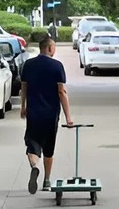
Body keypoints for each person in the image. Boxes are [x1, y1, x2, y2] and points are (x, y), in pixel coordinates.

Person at [20, 36, 74, 195]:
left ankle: (34, 166)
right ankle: (47, 181)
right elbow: (61, 92)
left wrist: (23, 107)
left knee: (32, 144)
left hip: (33, 113)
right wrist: (68, 117)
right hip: (51, 114)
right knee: (49, 148)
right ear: (49, 48)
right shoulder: (57, 66)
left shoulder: (28, 65)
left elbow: (24, 87)